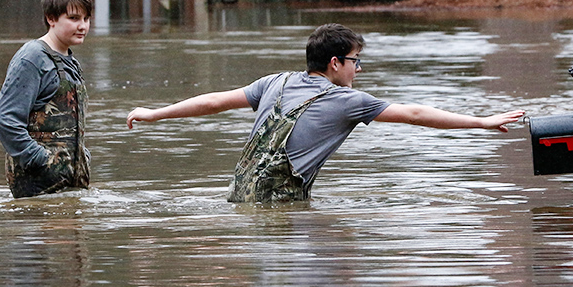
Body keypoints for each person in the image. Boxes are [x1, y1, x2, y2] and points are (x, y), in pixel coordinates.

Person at [126, 23, 524, 202]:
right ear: (335, 63)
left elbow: (213, 101)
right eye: (355, 61)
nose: (359, 69)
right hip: (282, 205)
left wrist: (155, 114)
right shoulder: (347, 101)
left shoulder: (274, 82)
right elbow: (415, 114)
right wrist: (481, 122)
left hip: (240, 196)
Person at [0, 0, 93, 198]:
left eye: (86, 19)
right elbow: (5, 120)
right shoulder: (32, 58)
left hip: (70, 183)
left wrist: (81, 157)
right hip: (38, 185)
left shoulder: (70, 60)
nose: (83, 26)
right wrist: (40, 160)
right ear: (51, 18)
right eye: (74, 18)